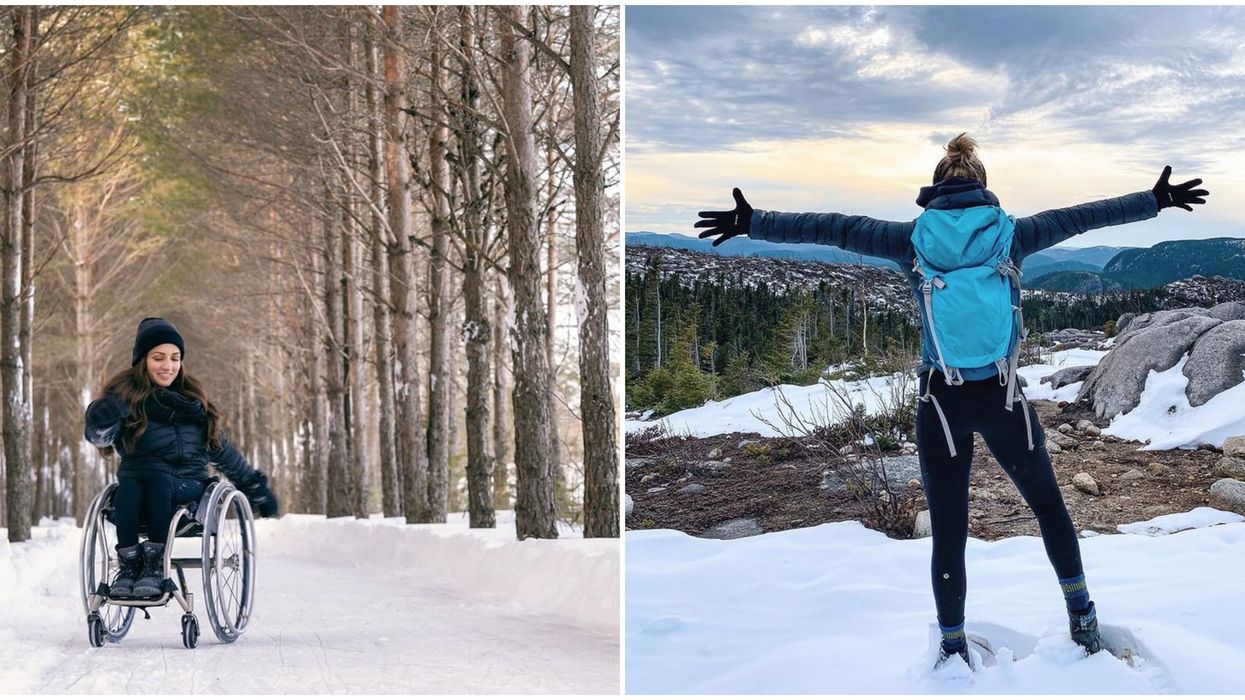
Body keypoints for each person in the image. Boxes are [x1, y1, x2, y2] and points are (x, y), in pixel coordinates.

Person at [695, 134, 1208, 670]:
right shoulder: (1012, 236)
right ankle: (1083, 622)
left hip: (941, 401)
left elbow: (836, 228)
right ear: (982, 187)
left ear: (934, 190)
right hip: (1004, 396)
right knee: (1050, 508)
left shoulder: (911, 239)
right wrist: (1154, 200)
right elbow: (1085, 216)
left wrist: (754, 222)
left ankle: (954, 644)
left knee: (949, 526)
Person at [84, 317, 279, 600]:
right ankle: (129, 565)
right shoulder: (125, 400)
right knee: (127, 486)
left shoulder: (194, 402)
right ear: (143, 361)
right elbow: (102, 437)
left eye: (175, 358)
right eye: (158, 357)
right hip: (136, 487)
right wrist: (99, 421)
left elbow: (222, 451)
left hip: (188, 489)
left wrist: (254, 487)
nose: (168, 366)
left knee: (157, 480)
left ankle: (153, 564)